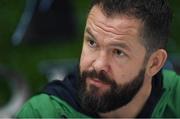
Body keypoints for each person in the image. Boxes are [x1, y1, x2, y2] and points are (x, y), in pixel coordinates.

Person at [16, 0, 180, 118]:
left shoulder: (175, 99)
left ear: (154, 63)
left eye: (118, 52)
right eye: (92, 42)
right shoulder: (43, 114)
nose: (98, 64)